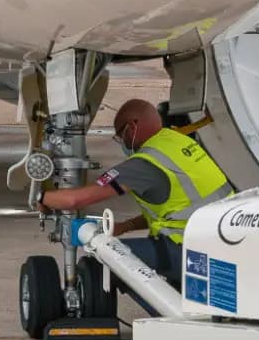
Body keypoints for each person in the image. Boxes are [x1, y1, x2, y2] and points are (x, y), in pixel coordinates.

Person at [41, 98, 233, 303]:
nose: (122, 142)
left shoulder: (144, 164)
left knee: (106, 262)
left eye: (120, 135)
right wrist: (127, 226)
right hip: (224, 244)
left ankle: (165, 317)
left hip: (187, 251)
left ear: (132, 127)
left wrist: (42, 197)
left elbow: (75, 200)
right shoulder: (181, 144)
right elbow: (180, 207)